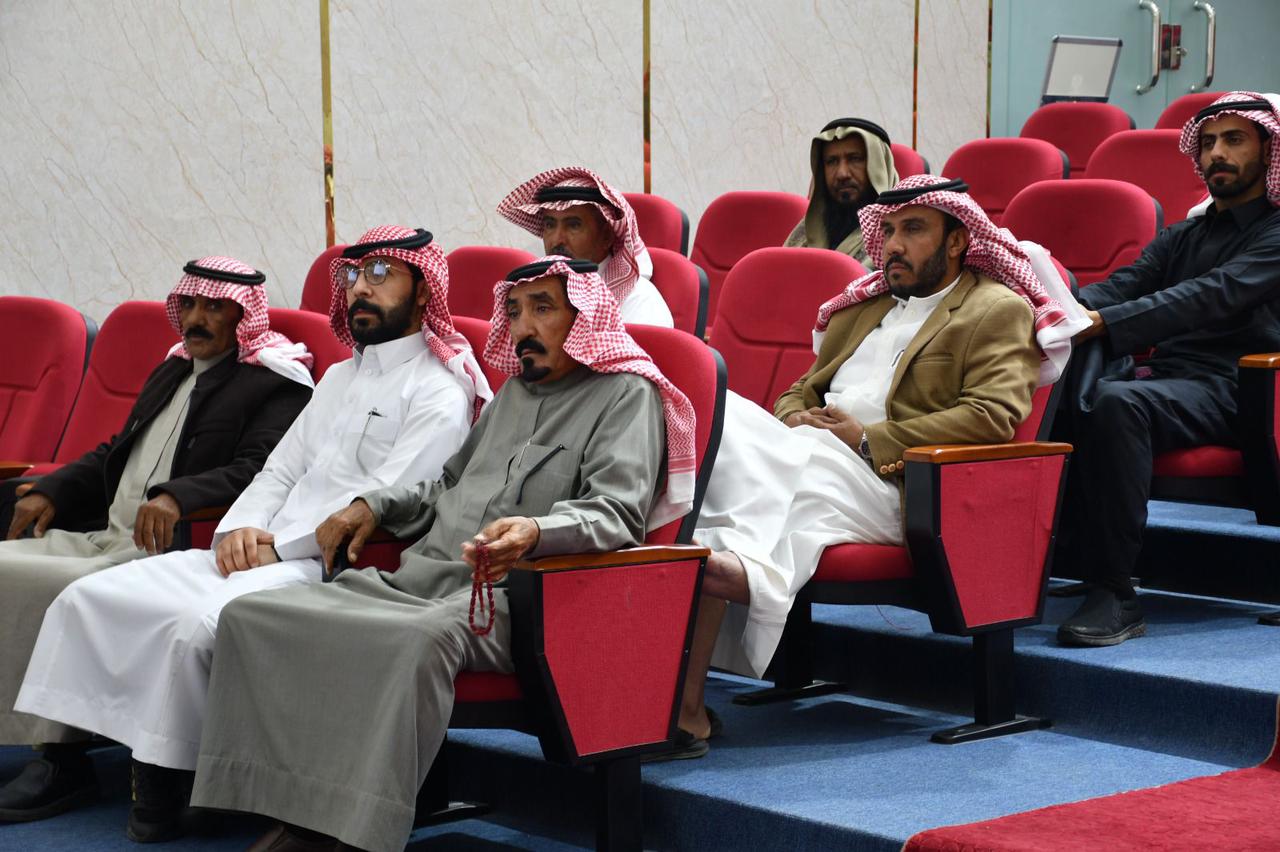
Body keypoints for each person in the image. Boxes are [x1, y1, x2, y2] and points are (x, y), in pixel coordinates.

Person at [185, 256, 693, 852]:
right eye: (514, 311)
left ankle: (351, 832)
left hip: (510, 601)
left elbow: (615, 514)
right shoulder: (512, 396)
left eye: (543, 309)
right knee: (254, 617)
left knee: (415, 640)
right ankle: (285, 805)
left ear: (584, 317)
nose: (523, 326)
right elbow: (445, 487)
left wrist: (535, 531)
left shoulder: (625, 396)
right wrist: (372, 506)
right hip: (418, 578)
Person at [11, 226, 488, 841]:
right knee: (89, 597)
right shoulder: (340, 379)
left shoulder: (440, 389)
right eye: (352, 276)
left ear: (424, 292)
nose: (359, 290)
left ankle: (168, 783)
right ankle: (64, 761)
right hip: (261, 547)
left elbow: (389, 502)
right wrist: (240, 528)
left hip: (334, 566)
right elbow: (279, 470)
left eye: (380, 275)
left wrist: (277, 548)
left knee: (194, 627)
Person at [677, 175, 1085, 758]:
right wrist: (796, 418)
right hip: (813, 454)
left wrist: (867, 438)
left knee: (726, 446)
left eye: (913, 229)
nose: (893, 244)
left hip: (897, 481)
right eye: (887, 230)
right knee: (715, 419)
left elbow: (991, 417)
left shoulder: (994, 310)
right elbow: (798, 391)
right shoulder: (864, 309)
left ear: (956, 240)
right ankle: (685, 707)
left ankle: (722, 584)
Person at [0, 256, 313, 822]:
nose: (195, 319)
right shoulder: (172, 369)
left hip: (167, 547)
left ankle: (61, 762)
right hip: (104, 532)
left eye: (213, 307)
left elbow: (259, 470)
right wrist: (54, 489)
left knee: (52, 586)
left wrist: (177, 497)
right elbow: (116, 450)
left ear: (244, 316)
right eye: (188, 304)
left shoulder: (277, 384)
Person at [1055, 91, 1280, 647]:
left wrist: (1101, 323)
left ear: (1269, 150)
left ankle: (1116, 592)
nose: (1216, 154)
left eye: (1234, 140)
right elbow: (1123, 285)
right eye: (1208, 143)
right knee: (1063, 381)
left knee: (1117, 401)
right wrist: (1051, 312)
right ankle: (1069, 559)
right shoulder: (1184, 235)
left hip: (1241, 387)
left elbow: (1211, 295)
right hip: (1173, 381)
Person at [497, 166, 675, 326]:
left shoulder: (638, 300)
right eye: (550, 225)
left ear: (606, 236)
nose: (557, 240)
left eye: (573, 225)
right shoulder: (527, 293)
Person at [783, 117, 901, 263]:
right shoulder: (808, 231)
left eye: (855, 159)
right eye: (832, 161)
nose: (842, 174)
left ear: (879, 166)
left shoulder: (899, 235)